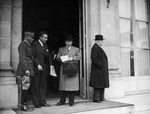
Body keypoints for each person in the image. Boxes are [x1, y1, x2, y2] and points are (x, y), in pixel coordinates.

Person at [56, 35, 80, 106]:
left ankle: (71, 102)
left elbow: (79, 57)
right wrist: (62, 58)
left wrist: (72, 58)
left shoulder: (76, 49)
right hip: (64, 69)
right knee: (63, 87)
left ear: (72, 42)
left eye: (70, 41)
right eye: (67, 41)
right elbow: (57, 57)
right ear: (65, 42)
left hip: (72, 69)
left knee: (72, 87)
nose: (68, 43)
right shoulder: (61, 49)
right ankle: (62, 101)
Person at [31, 31, 53, 108]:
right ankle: (36, 103)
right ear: (40, 37)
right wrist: (38, 64)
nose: (46, 39)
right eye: (45, 37)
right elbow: (33, 56)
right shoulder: (34, 44)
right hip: (37, 68)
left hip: (44, 68)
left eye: (47, 38)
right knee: (36, 85)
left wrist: (51, 65)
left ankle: (43, 102)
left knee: (43, 85)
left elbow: (49, 56)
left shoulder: (46, 45)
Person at [16, 32, 34, 111]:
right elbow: (22, 57)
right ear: (27, 37)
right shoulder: (23, 44)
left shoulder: (27, 45)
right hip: (25, 69)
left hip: (28, 67)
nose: (33, 39)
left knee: (26, 87)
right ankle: (22, 106)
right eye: (31, 38)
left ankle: (24, 104)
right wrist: (26, 69)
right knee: (25, 87)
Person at [89, 34, 109, 103]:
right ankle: (96, 98)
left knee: (101, 84)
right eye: (101, 41)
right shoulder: (95, 47)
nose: (102, 42)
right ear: (98, 41)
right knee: (98, 84)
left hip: (100, 70)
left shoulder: (98, 47)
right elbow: (93, 58)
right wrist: (100, 65)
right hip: (98, 70)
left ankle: (101, 97)